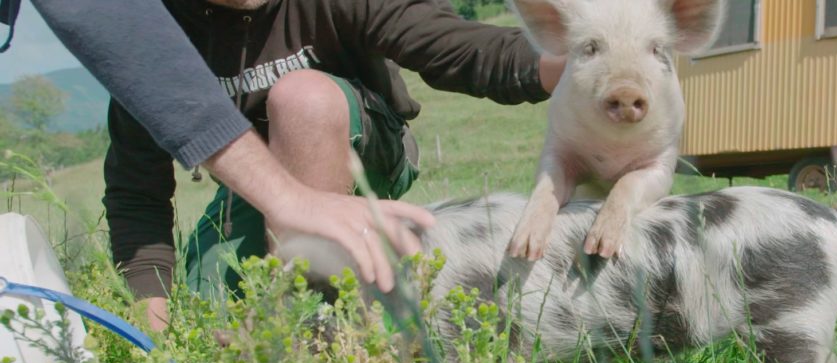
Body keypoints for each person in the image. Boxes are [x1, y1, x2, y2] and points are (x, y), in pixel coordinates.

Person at [31, 0, 563, 331]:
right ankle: (288, 294)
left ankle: (308, 325)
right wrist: (154, 330)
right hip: (260, 189)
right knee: (211, 305)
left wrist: (577, 71)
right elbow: (136, 193)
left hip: (365, 150)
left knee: (302, 97)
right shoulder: (159, 37)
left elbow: (457, 48)